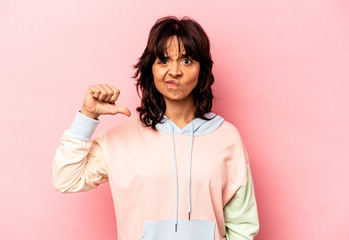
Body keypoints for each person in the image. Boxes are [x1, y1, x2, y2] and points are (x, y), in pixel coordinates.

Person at [52, 15, 259, 240]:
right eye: (163, 61)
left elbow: (243, 226)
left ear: (202, 70)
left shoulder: (226, 137)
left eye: (187, 60)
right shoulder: (121, 139)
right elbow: (66, 179)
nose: (174, 71)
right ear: (150, 69)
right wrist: (87, 116)